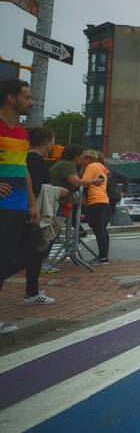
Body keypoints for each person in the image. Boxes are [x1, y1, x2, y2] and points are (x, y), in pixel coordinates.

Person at [0, 79, 40, 334]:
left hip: (19, 206)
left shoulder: (23, 133)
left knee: (33, 241)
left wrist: (32, 203)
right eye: (27, 97)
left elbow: (22, 168)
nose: (32, 102)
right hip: (2, 205)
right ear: (11, 99)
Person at [23, 126, 63, 305]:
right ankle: (31, 293)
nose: (54, 144)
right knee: (34, 252)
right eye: (53, 140)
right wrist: (57, 191)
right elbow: (37, 187)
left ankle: (32, 292)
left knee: (31, 252)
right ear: (47, 141)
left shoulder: (26, 158)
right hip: (33, 212)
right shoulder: (37, 160)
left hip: (25, 210)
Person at [81, 149, 112, 265]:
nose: (81, 162)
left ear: (87, 159)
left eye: (83, 159)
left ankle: (103, 257)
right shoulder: (101, 166)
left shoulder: (91, 166)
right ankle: (104, 255)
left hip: (95, 200)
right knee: (102, 230)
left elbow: (84, 182)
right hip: (103, 200)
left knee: (98, 230)